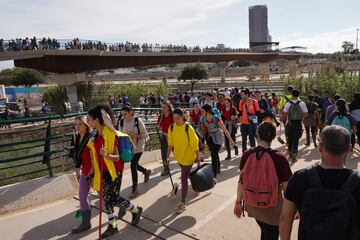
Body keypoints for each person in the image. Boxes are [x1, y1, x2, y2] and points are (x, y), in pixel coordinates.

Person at [280, 126, 360, 240]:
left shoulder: (300, 178)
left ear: (320, 146)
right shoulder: (357, 182)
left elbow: (285, 218)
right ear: (349, 148)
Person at [87, 104, 143, 238]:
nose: (88, 122)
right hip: (102, 171)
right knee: (107, 199)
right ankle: (113, 225)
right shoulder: (94, 134)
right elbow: (93, 153)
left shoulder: (111, 134)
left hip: (114, 170)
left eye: (89, 119)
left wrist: (107, 156)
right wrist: (92, 169)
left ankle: (135, 210)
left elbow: (117, 158)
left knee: (113, 198)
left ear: (97, 119)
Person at [234, 122, 292, 240]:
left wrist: (238, 202)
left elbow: (241, 181)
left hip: (252, 204)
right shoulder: (279, 158)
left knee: (265, 230)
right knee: (271, 233)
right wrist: (291, 210)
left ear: (257, 135)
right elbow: (288, 189)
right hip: (272, 207)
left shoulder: (247, 154)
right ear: (274, 137)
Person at [166, 108, 201, 213]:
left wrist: (198, 158)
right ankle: (197, 187)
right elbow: (170, 144)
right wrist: (167, 157)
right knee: (187, 175)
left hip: (189, 157)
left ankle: (183, 202)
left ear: (183, 117)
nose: (176, 120)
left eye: (178, 118)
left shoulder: (188, 127)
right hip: (179, 157)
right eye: (174, 118)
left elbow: (195, 144)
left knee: (183, 178)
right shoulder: (171, 127)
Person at [118, 104, 151, 199]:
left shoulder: (137, 121)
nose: (123, 116)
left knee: (133, 166)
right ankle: (146, 171)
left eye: (125, 114)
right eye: (122, 114)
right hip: (128, 148)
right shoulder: (121, 122)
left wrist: (134, 135)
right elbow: (119, 135)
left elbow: (145, 135)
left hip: (138, 147)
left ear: (130, 113)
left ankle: (135, 189)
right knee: (134, 164)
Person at [200, 104, 235, 178]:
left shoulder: (216, 119)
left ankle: (214, 173)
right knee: (214, 153)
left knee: (213, 154)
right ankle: (218, 168)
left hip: (218, 137)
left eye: (203, 111)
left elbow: (225, 130)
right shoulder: (203, 119)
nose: (201, 112)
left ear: (208, 111)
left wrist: (231, 141)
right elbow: (203, 130)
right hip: (209, 138)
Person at [70, 116, 92, 234]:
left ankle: (127, 208)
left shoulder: (90, 137)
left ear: (86, 125)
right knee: (82, 196)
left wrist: (93, 170)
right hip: (85, 171)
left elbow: (95, 155)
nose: (77, 127)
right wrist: (77, 169)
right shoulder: (77, 137)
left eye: (80, 124)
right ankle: (86, 223)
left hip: (95, 171)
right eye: (76, 124)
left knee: (107, 196)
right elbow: (77, 155)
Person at [282, 89, 308, 162]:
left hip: (289, 123)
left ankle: (290, 151)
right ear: (298, 95)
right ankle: (294, 153)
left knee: (290, 138)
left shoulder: (288, 103)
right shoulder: (302, 103)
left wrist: (283, 120)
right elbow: (306, 114)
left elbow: (284, 114)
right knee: (296, 139)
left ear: (292, 95)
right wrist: (301, 118)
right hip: (299, 124)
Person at [238, 88, 260, 153]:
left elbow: (258, 113)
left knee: (251, 138)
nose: (241, 96)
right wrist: (236, 116)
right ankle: (244, 153)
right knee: (243, 139)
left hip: (252, 123)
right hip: (243, 123)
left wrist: (252, 117)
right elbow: (240, 112)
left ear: (247, 94)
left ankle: (253, 153)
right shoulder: (241, 102)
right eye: (241, 94)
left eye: (242, 94)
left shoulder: (254, 102)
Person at [157, 101, 174, 176]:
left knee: (176, 152)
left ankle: (184, 167)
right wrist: (159, 127)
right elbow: (159, 126)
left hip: (173, 137)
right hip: (164, 136)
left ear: (169, 107)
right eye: (162, 107)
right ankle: (166, 168)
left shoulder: (173, 115)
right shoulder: (161, 116)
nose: (163, 109)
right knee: (164, 153)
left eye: (164, 107)